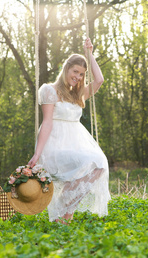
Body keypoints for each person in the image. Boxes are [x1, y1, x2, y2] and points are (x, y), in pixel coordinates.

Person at [28, 38, 111, 224]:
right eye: (75, 72)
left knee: (99, 164)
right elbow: (47, 122)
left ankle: (65, 213)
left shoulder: (78, 94)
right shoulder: (49, 90)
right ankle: (63, 213)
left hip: (76, 141)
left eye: (82, 74)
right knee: (86, 164)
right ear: (66, 69)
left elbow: (100, 80)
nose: (78, 77)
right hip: (55, 143)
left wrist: (89, 54)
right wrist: (37, 154)